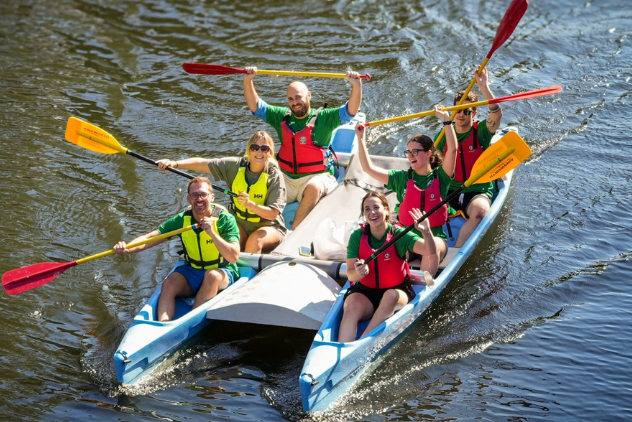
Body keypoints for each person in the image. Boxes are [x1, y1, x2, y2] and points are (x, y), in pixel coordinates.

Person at [243, 66, 363, 229]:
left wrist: (356, 85)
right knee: (263, 184)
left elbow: (350, 111)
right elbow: (256, 107)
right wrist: (248, 81)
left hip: (317, 176)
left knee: (313, 187)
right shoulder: (282, 117)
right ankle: (263, 229)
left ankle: (294, 233)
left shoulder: (324, 118)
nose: (295, 103)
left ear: (309, 96)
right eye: (290, 99)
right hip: (287, 178)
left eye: (298, 97)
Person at [113, 176, 240, 322]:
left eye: (203, 194)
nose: (199, 199)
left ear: (212, 197)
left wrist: (212, 233)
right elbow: (151, 237)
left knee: (212, 276)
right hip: (192, 269)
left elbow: (234, 257)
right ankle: (163, 324)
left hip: (222, 271)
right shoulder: (181, 220)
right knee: (168, 284)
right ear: (188, 199)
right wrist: (128, 247)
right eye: (194, 195)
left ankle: (188, 322)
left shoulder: (225, 220)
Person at [355, 105, 457, 276]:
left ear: (429, 153)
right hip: (407, 238)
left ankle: (425, 285)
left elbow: (452, 150)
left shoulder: (441, 176)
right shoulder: (401, 178)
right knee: (388, 253)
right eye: (408, 152)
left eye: (415, 152)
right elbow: (368, 168)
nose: (410, 156)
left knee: (430, 250)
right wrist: (360, 138)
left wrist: (446, 121)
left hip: (435, 239)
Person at [156, 131, 287, 254]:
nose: (259, 152)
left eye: (264, 148)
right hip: (240, 223)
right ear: (249, 150)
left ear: (270, 152)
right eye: (255, 147)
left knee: (255, 241)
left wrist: (249, 205)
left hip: (269, 226)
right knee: (225, 240)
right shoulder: (235, 166)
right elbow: (202, 164)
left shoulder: (275, 176)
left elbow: (272, 214)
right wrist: (174, 164)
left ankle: (250, 269)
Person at [338, 191, 436, 343]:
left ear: (386, 210)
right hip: (366, 294)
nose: (372, 212)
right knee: (351, 305)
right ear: (364, 214)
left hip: (397, 291)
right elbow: (351, 275)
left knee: (390, 296)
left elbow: (430, 251)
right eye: (367, 209)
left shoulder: (399, 234)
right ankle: (342, 346)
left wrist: (427, 232)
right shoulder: (357, 236)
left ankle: (362, 343)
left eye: (376, 207)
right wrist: (359, 273)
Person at [435, 68, 504, 247]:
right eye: (458, 110)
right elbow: (432, 166)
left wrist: (484, 87)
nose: (461, 114)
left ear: (474, 113)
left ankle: (457, 252)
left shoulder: (481, 131)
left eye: (467, 111)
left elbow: (496, 114)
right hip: (449, 191)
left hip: (476, 190)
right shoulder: (443, 136)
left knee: (480, 212)